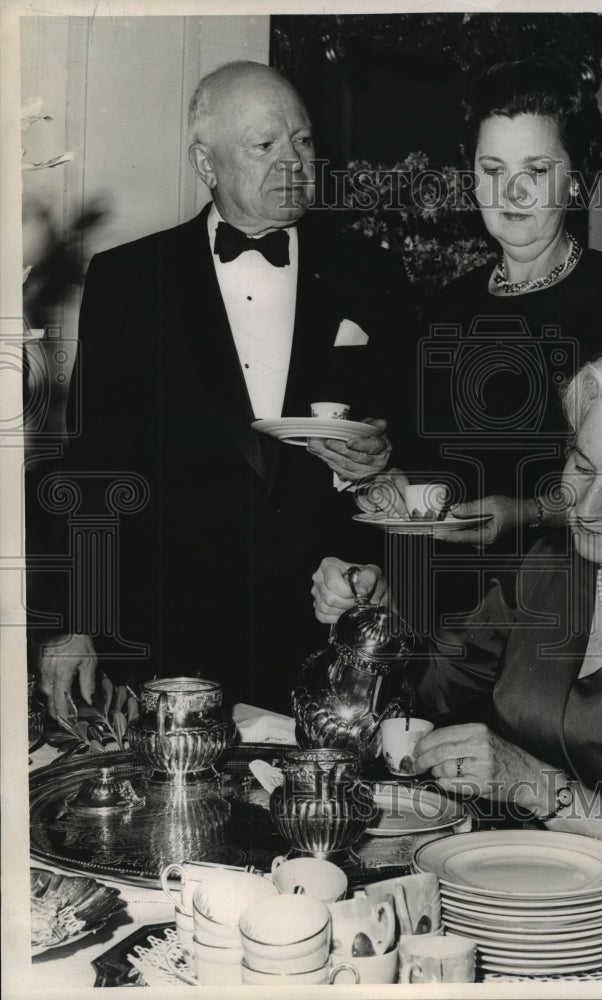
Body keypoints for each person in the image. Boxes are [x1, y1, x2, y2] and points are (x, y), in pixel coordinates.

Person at [312, 344, 602, 961]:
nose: (586, 508)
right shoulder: (550, 569)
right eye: (581, 465)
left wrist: (538, 787)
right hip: (526, 905)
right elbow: (431, 690)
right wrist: (375, 614)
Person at [31, 61, 419, 719]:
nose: (294, 161)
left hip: (327, 636)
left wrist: (383, 461)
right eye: (266, 145)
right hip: (169, 638)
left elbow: (412, 430)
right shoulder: (130, 281)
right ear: (206, 164)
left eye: (303, 140)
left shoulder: (371, 272)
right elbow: (94, 462)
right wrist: (79, 621)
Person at [404, 58, 602, 549]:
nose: (511, 191)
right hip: (448, 586)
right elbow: (422, 458)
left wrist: (530, 514)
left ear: (575, 181)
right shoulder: (446, 308)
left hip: (585, 580)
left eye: (536, 170)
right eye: (492, 169)